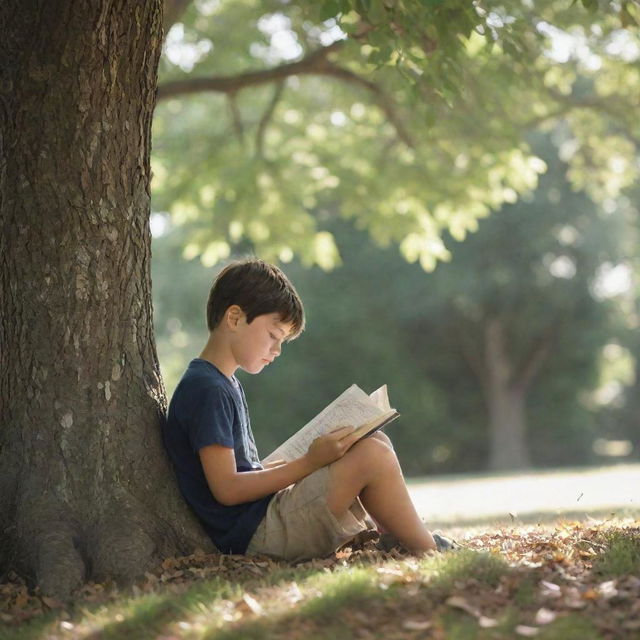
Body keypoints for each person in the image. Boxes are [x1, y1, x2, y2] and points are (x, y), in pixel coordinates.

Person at [163, 258, 454, 561]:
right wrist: (308, 462)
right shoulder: (206, 389)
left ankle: (400, 537)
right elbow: (227, 489)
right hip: (256, 535)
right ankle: (429, 549)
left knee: (374, 442)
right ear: (234, 318)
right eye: (273, 336)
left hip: (259, 521)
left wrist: (302, 460)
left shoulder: (223, 383)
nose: (276, 351)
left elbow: (241, 472)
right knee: (373, 455)